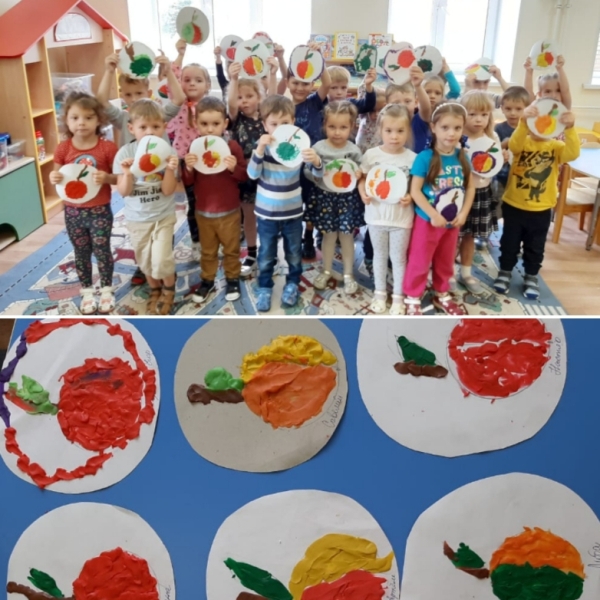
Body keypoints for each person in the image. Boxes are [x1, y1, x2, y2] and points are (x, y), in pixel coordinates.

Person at [97, 50, 186, 286]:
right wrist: (109, 71)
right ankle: (145, 266)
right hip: (134, 183)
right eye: (128, 94)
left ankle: (164, 265)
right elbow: (101, 101)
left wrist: (168, 71)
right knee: (142, 232)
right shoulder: (123, 117)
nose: (134, 98)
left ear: (148, 90)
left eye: (139, 93)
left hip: (161, 181)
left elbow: (179, 98)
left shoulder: (157, 114)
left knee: (162, 233)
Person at [493, 103, 579, 299]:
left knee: (535, 246)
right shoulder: (522, 141)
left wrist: (570, 128)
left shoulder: (556, 147)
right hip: (514, 205)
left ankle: (531, 276)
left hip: (541, 209)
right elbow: (513, 146)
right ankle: (505, 272)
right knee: (509, 243)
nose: (540, 128)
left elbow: (572, 154)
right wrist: (523, 123)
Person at [247, 95, 318, 312]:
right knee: (266, 253)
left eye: (284, 123)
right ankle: (264, 286)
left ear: (293, 122)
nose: (279, 128)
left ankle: (293, 283)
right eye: (273, 124)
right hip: (267, 212)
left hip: (292, 211)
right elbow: (252, 174)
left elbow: (317, 175)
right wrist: (259, 149)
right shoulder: (262, 148)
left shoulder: (300, 146)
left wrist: (316, 161)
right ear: (265, 125)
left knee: (294, 252)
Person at [403, 102, 475, 315]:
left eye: (457, 128)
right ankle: (413, 296)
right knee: (419, 260)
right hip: (428, 221)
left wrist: (464, 213)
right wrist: (433, 215)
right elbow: (415, 191)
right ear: (433, 127)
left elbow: (470, 187)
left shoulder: (463, 157)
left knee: (446, 260)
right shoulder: (424, 158)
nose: (451, 133)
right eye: (445, 127)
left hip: (452, 223)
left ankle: (441, 293)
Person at [50, 93, 118, 315]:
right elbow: (56, 175)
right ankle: (87, 291)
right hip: (73, 212)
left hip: (100, 210)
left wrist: (106, 178)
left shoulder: (107, 148)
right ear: (67, 121)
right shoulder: (63, 148)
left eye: (88, 117)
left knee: (102, 249)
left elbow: (119, 178)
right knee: (81, 251)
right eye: (75, 117)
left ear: (99, 120)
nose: (81, 123)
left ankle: (106, 289)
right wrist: (53, 177)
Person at [113, 100, 179, 315]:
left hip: (162, 216)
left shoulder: (168, 153)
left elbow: (168, 190)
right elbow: (123, 191)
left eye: (155, 126)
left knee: (162, 258)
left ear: (164, 127)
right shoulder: (125, 153)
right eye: (143, 127)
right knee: (145, 260)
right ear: (131, 128)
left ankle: (169, 288)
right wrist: (127, 173)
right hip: (137, 219)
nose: (150, 132)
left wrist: (170, 169)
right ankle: (154, 288)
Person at [183, 97, 248, 304]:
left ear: (225, 123)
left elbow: (244, 176)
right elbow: (187, 181)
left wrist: (234, 168)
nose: (210, 129)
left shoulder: (232, 147)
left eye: (215, 124)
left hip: (229, 211)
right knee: (208, 251)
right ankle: (207, 280)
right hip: (203, 212)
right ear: (196, 123)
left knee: (231, 249)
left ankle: (232, 279)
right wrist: (188, 167)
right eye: (204, 124)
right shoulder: (194, 148)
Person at [358, 103, 417, 315]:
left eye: (400, 131)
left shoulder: (412, 158)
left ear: (408, 131)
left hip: (401, 219)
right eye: (389, 130)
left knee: (399, 258)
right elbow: (363, 179)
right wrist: (363, 193)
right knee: (379, 256)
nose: (394, 136)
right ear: (380, 130)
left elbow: (416, 186)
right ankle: (380, 293)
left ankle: (399, 297)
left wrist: (411, 196)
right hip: (376, 217)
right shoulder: (371, 155)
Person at [306, 101, 364, 295]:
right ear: (325, 125)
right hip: (325, 198)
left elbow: (361, 172)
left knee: (347, 236)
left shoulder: (354, 150)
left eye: (343, 127)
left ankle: (348, 274)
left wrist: (360, 174)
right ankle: (326, 270)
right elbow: (307, 172)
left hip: (347, 200)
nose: (337, 132)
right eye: (332, 127)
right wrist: (316, 169)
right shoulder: (318, 148)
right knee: (328, 236)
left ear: (352, 127)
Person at [228, 56, 278, 278]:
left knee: (268, 216)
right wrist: (233, 79)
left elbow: (274, 100)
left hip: (268, 175)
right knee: (249, 216)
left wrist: (273, 74)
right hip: (246, 176)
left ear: (259, 97)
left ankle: (269, 251)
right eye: (240, 97)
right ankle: (251, 252)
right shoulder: (236, 119)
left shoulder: (266, 117)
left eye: (249, 96)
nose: (244, 101)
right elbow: (231, 105)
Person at [281, 44, 331, 260]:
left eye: (305, 83)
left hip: (312, 163)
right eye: (295, 83)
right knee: (293, 201)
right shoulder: (283, 106)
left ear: (312, 84)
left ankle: (308, 236)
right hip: (290, 164)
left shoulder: (314, 102)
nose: (300, 88)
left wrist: (319, 59)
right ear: (288, 82)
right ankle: (292, 234)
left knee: (311, 202)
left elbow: (327, 83)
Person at [168, 39, 212, 262]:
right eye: (186, 80)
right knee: (194, 204)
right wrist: (180, 54)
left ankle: (212, 239)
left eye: (198, 80)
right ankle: (197, 242)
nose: (192, 83)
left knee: (210, 202)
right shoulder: (178, 105)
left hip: (210, 159)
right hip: (188, 162)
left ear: (207, 85)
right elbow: (172, 77)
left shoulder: (211, 106)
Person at [457, 90, 502, 294]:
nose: (478, 119)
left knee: (469, 236)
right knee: (451, 235)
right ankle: (446, 272)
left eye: (484, 114)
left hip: (481, 192)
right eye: (473, 114)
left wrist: (503, 159)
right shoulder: (457, 137)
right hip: (457, 193)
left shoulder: (492, 138)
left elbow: (494, 165)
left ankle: (466, 273)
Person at [493, 86, 531, 210]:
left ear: (526, 109)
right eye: (508, 109)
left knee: (518, 208)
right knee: (499, 205)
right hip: (502, 176)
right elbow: (493, 151)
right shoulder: (498, 128)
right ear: (502, 108)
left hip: (522, 177)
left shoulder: (530, 130)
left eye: (518, 109)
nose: (513, 113)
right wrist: (505, 143)